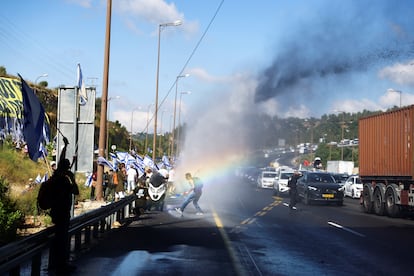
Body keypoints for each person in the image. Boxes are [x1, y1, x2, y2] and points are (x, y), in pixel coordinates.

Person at [49, 137, 79, 273]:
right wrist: (72, 178)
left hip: (55, 211)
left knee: (58, 238)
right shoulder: (65, 181)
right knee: (62, 239)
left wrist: (65, 146)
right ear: (67, 168)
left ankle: (56, 263)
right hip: (63, 212)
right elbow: (76, 191)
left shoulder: (56, 176)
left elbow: (61, 159)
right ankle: (61, 265)